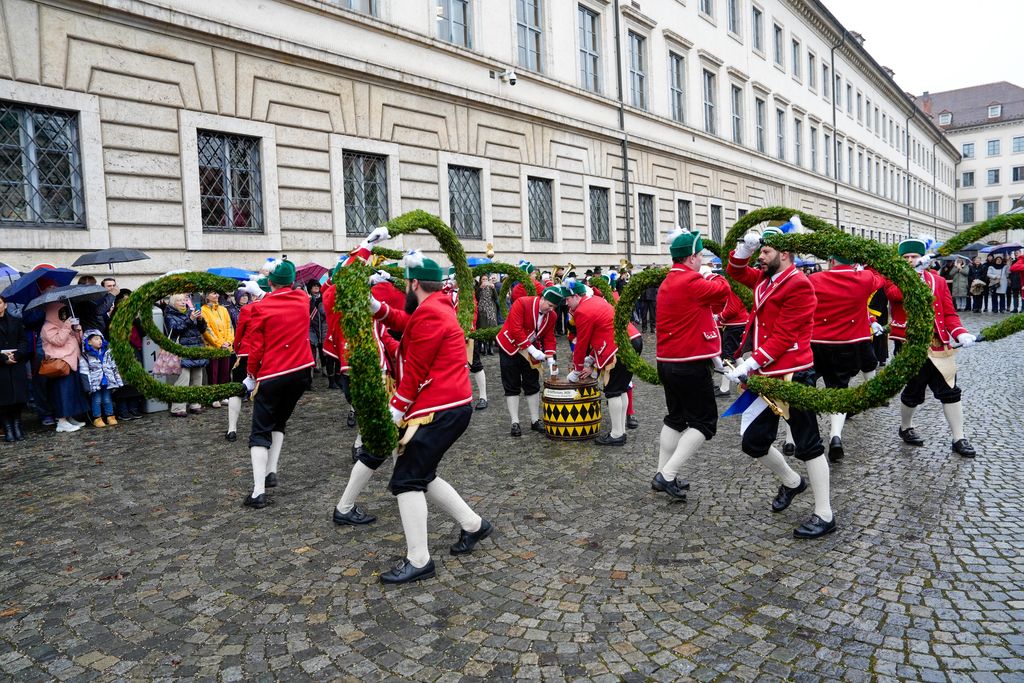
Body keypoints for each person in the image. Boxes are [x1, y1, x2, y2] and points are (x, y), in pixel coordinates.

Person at [371, 252, 492, 584]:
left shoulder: (430, 313)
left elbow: (414, 372)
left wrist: (394, 411)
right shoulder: (436, 306)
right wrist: (377, 308)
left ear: (412, 284)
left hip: (439, 409)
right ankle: (473, 525)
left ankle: (419, 559)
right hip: (448, 406)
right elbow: (407, 323)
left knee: (406, 480)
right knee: (422, 474)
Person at [726, 223, 836, 539]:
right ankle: (792, 482)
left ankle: (825, 514)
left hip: (792, 374)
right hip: (765, 376)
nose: (760, 257)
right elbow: (735, 271)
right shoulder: (767, 279)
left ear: (784, 254)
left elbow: (784, 337)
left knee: (809, 444)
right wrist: (743, 250)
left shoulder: (799, 285)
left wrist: (749, 363)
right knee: (753, 443)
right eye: (759, 251)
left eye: (765, 251)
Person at [651, 230, 730, 500]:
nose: (701, 261)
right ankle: (667, 475)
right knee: (705, 422)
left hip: (668, 363)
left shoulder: (669, 281)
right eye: (700, 257)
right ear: (692, 257)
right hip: (689, 364)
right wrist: (711, 273)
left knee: (675, 418)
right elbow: (723, 291)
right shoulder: (691, 280)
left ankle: (661, 472)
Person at [887, 239, 977, 458]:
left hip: (938, 344)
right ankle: (906, 427)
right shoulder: (894, 280)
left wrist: (959, 332)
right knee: (913, 392)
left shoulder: (937, 281)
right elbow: (896, 295)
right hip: (910, 346)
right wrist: (913, 275)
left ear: (924, 259)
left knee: (950, 390)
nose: (910, 261)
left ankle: (959, 437)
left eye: (914, 257)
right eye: (906, 258)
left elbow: (948, 313)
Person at [242, 260, 315, 509]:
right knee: (280, 421)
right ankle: (271, 470)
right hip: (302, 372)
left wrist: (251, 375)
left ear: (270, 282)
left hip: (273, 374)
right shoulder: (303, 300)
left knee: (259, 432)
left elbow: (256, 347)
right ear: (293, 282)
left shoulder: (261, 308)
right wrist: (265, 286)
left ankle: (258, 492)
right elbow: (286, 295)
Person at [807, 255, 886, 462]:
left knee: (805, 386)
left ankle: (796, 437)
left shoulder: (815, 278)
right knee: (839, 390)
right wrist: (867, 261)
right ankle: (835, 436)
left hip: (817, 342)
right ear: (853, 262)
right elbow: (880, 277)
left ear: (831, 261)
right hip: (847, 342)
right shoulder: (865, 277)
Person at [564, 282, 642, 446]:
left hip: (619, 347)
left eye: (567, 299)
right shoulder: (597, 301)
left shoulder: (583, 311)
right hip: (634, 339)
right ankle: (620, 431)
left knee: (613, 390)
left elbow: (582, 343)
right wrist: (591, 360)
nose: (566, 303)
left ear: (576, 296)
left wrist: (577, 369)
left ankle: (616, 435)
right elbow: (602, 333)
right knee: (621, 388)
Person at [496, 285, 560, 436]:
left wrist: (550, 358)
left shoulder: (552, 316)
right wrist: (533, 351)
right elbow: (515, 329)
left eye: (554, 307)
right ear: (542, 298)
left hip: (531, 348)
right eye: (549, 305)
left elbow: (549, 337)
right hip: (509, 347)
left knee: (532, 383)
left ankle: (535, 420)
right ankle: (515, 422)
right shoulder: (522, 303)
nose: (551, 309)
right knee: (511, 384)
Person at [226, 279, 267, 441]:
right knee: (263, 393)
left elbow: (239, 334)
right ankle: (261, 428)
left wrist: (237, 349)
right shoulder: (273, 307)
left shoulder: (247, 309)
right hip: (266, 356)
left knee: (236, 391)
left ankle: (232, 429)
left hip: (245, 354)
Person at [41, 302, 89, 433]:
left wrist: (78, 331)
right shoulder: (47, 327)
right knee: (62, 394)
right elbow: (58, 341)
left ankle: (69, 417)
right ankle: (61, 421)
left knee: (72, 393)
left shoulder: (64, 326)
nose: (63, 316)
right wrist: (68, 327)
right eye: (60, 313)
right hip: (60, 365)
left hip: (72, 362)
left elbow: (78, 342)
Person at [164, 294, 208, 417]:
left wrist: (200, 320)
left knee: (197, 378)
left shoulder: (191, 312)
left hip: (195, 349)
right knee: (183, 380)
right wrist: (190, 319)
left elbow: (202, 329)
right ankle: (178, 408)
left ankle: (195, 404)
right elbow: (175, 329)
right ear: (173, 303)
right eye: (179, 300)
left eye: (184, 300)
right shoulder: (170, 315)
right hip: (181, 351)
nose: (183, 302)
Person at [0, 294, 29, 442]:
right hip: (1, 366)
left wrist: (17, 356)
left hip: (17, 364)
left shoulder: (16, 321)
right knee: (3, 398)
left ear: (5, 305)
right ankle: (8, 428)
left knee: (18, 396)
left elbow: (23, 341)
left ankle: (18, 425)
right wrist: (4, 358)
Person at [80, 329, 123, 428]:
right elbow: (84, 371)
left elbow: (114, 366)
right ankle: (97, 418)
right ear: (89, 341)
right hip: (95, 383)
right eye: (96, 339)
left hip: (107, 380)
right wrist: (87, 386)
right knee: (97, 400)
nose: (99, 341)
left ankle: (110, 416)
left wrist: (118, 380)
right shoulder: (86, 356)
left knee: (107, 399)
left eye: (100, 339)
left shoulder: (107, 352)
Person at [201, 291, 234, 407]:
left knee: (225, 372)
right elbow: (206, 330)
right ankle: (213, 397)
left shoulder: (223, 309)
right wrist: (219, 343)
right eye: (214, 293)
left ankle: (223, 395)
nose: (217, 296)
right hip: (213, 347)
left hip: (225, 346)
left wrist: (229, 341)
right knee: (213, 373)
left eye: (217, 294)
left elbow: (230, 326)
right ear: (207, 296)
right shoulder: (203, 310)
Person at [714, 284, 748, 396]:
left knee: (728, 358)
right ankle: (747, 380)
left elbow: (732, 310)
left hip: (734, 325)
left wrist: (718, 317)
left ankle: (724, 388)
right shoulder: (741, 288)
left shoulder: (733, 290)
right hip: (740, 323)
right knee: (736, 355)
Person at [307, 279, 327, 380]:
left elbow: (325, 312)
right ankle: (312, 369)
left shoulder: (323, 297)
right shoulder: (307, 299)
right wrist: (310, 302)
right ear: (310, 288)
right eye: (314, 286)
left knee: (323, 349)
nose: (316, 287)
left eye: (317, 285)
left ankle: (325, 369)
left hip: (322, 327)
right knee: (313, 349)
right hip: (312, 328)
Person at [475, 275, 499, 355]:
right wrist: (480, 288)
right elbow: (476, 297)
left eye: (486, 279)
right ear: (481, 280)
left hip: (491, 309)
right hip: (482, 309)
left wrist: (493, 288)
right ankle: (484, 347)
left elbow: (496, 298)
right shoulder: (478, 287)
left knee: (492, 326)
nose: (485, 280)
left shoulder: (491, 287)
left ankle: (490, 347)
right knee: (483, 327)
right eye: (483, 279)